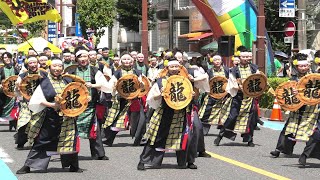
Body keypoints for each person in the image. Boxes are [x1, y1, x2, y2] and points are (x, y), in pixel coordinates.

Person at [16, 58, 82, 174]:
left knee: (69, 140)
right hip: (50, 117)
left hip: (68, 117)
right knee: (42, 140)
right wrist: (52, 105)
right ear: (50, 67)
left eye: (59, 66)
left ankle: (73, 165)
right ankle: (28, 165)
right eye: (54, 66)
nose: (57, 69)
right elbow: (37, 100)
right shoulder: (44, 82)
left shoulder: (67, 81)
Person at [137, 58, 198, 170]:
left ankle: (187, 162)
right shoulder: (161, 81)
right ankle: (143, 161)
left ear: (180, 67)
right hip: (164, 112)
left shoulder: (186, 80)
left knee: (186, 137)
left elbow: (191, 95)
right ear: (167, 68)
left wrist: (192, 95)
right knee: (155, 136)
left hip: (181, 113)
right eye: (172, 67)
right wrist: (160, 94)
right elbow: (152, 98)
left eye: (176, 66)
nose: (174, 69)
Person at [270, 53, 319, 158]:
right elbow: (287, 92)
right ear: (297, 66)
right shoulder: (293, 79)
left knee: (311, 131)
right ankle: (280, 149)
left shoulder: (315, 77)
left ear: (309, 65)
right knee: (289, 128)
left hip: (311, 108)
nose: (303, 68)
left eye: (305, 66)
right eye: (301, 66)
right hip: (297, 107)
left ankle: (311, 153)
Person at [66, 48, 109, 160]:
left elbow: (105, 85)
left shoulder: (95, 70)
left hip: (91, 105)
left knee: (95, 129)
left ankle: (98, 154)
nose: (83, 59)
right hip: (75, 106)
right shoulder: (71, 72)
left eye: (85, 56)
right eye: (80, 57)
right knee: (71, 130)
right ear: (76, 59)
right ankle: (69, 155)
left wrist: (93, 86)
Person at [214, 47, 259, 147]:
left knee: (251, 119)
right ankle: (220, 136)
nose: (246, 58)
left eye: (248, 56)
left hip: (250, 98)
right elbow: (232, 82)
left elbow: (258, 79)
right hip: (238, 97)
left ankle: (249, 139)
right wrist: (239, 87)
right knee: (232, 117)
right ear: (240, 57)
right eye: (244, 56)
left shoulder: (254, 68)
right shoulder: (234, 70)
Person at [102, 54, 146, 146]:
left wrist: (141, 84)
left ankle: (140, 139)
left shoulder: (137, 72)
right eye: (124, 59)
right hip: (121, 99)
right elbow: (111, 85)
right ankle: (109, 139)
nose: (126, 61)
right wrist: (114, 87)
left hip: (134, 99)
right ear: (121, 61)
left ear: (132, 61)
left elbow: (142, 84)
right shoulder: (117, 72)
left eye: (128, 59)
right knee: (116, 120)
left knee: (140, 119)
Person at [15, 56, 46, 149]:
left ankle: (35, 143)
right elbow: (18, 85)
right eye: (30, 63)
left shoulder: (44, 73)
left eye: (34, 62)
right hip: (26, 103)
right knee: (22, 123)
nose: (33, 65)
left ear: (38, 63)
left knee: (36, 123)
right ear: (27, 65)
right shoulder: (23, 75)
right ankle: (20, 142)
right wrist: (17, 84)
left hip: (40, 103)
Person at [0, 52, 20, 131]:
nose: (7, 59)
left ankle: (13, 124)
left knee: (14, 108)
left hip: (13, 92)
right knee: (2, 107)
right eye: (5, 57)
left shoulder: (15, 68)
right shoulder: (1, 69)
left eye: (8, 57)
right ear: (2, 59)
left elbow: (19, 78)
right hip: (3, 92)